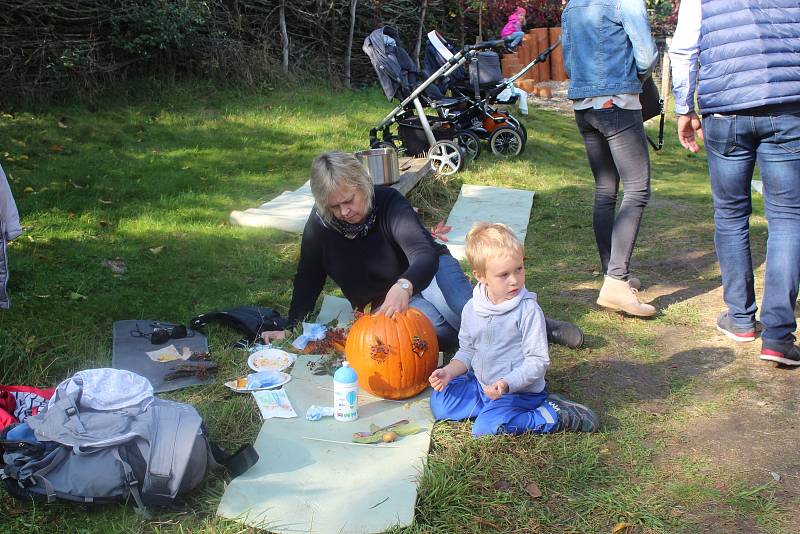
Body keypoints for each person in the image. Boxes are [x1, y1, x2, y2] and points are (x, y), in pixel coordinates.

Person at [261, 152, 584, 351]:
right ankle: (497, 334)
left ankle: (542, 325)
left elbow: (423, 253)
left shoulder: (388, 203)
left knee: (467, 309)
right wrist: (293, 325)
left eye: (350, 201)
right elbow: (308, 277)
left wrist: (404, 284)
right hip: (387, 302)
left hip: (426, 275)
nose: (345, 211)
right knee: (441, 335)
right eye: (335, 206)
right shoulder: (319, 227)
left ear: (364, 187)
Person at [669, 0, 800, 365]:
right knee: (788, 219)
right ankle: (777, 337)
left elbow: (684, 48)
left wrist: (684, 107)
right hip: (787, 107)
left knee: (730, 215)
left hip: (726, 108)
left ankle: (741, 320)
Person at [428, 223, 599, 437]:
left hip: (518, 391)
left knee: (485, 430)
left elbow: (537, 361)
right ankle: (493, 410)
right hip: (483, 386)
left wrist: (507, 383)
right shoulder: (472, 308)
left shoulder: (528, 311)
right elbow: (467, 351)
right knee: (440, 404)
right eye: (504, 274)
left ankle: (553, 413)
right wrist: (448, 372)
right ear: (480, 276)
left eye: (519, 269)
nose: (514, 280)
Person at [561, 0, 659, 318]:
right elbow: (647, 56)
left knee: (606, 189)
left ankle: (612, 272)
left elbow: (568, 62)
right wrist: (636, 82)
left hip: (584, 106)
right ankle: (616, 280)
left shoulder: (573, 5)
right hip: (616, 102)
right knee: (637, 189)